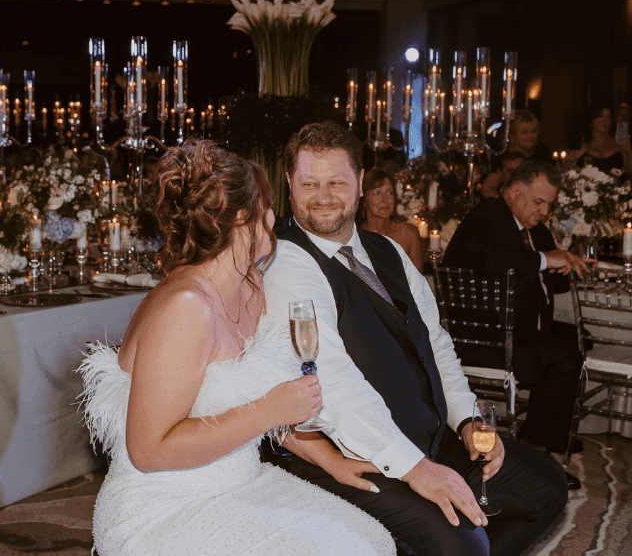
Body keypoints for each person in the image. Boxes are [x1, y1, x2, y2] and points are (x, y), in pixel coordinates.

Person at [263, 122, 568, 556]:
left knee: (548, 486)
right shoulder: (286, 262)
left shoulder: (387, 251)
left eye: (337, 182)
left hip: (428, 440)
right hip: (356, 457)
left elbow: (436, 343)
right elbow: (330, 380)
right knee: (464, 545)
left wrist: (466, 421)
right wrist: (414, 468)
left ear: (361, 182)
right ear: (290, 184)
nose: (323, 196)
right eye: (309, 183)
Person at [79, 139, 394, 556]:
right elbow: (149, 449)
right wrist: (269, 411)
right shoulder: (185, 308)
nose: (274, 215)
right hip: (164, 505)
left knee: (373, 543)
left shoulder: (249, 288)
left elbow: (257, 402)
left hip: (242, 480)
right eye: (265, 204)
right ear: (244, 217)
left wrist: (329, 459)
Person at [442, 160, 591, 472]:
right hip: (488, 335)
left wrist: (565, 264)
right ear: (514, 191)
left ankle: (549, 435)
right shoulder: (486, 217)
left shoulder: (535, 230)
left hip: (522, 328)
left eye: (549, 204)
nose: (544, 212)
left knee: (578, 342)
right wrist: (543, 260)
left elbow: (548, 274)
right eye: (539, 202)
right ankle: (534, 453)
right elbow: (490, 258)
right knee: (564, 358)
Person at [358, 167, 424, 272]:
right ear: (364, 200)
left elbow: (418, 284)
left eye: (390, 192)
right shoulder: (355, 238)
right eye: (377, 193)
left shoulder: (409, 234)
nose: (385, 199)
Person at [575, 105, 632, 176]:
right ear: (591, 121)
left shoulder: (620, 145)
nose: (605, 120)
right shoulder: (582, 147)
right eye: (601, 116)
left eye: (609, 117)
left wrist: (628, 152)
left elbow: (629, 173)